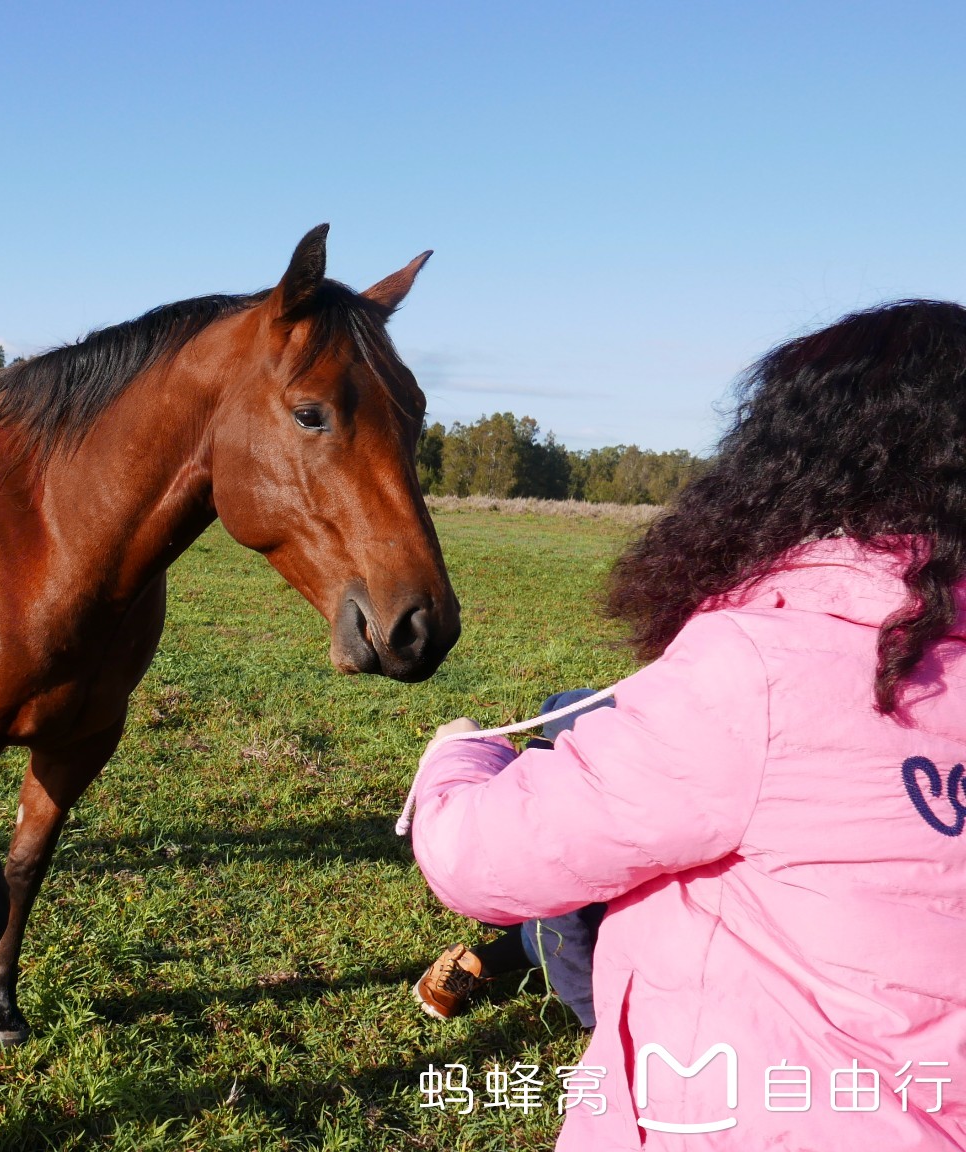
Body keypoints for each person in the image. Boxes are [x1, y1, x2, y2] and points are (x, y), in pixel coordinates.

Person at [405, 300, 966, 1150]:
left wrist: (458, 755)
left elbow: (487, 855)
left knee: (567, 739)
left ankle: (505, 953)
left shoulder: (760, 666)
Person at [413, 689, 612, 1028]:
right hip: (462, 849)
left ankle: (477, 961)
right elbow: (561, 935)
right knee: (564, 923)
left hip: (498, 820)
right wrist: (597, 1020)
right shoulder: (561, 827)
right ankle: (476, 962)